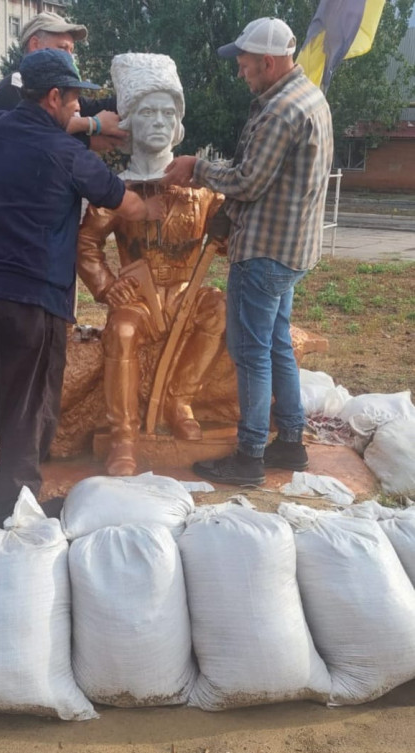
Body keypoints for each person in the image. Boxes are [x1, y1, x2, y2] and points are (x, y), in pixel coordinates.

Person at [0, 49, 163, 526]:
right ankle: (16, 505)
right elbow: (123, 203)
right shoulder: (68, 156)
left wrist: (90, 132)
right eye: (74, 101)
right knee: (26, 402)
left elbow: (32, 129)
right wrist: (151, 207)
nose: (79, 111)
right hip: (32, 297)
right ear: (54, 96)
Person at [162, 17, 333, 485]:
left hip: (265, 251)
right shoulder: (306, 96)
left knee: (252, 352)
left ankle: (250, 455)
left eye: (245, 64)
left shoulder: (280, 111)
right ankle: (291, 443)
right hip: (291, 248)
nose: (240, 72)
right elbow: (266, 176)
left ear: (269, 61)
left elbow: (249, 180)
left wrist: (197, 167)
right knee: (276, 344)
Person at [77, 53, 226, 477]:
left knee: (218, 307)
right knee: (121, 330)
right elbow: (86, 244)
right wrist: (106, 287)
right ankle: (123, 436)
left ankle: (180, 398)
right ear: (128, 123)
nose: (159, 121)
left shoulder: (200, 186)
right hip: (140, 299)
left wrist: (229, 225)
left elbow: (227, 232)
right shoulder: (116, 189)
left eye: (168, 112)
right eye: (147, 112)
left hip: (186, 292)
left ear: (178, 124)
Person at [0, 11, 126, 153]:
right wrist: (92, 126)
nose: (70, 57)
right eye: (62, 48)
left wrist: (138, 97)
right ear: (35, 44)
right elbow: (27, 136)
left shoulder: (59, 91)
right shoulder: (12, 87)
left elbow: (97, 106)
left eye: (71, 50)